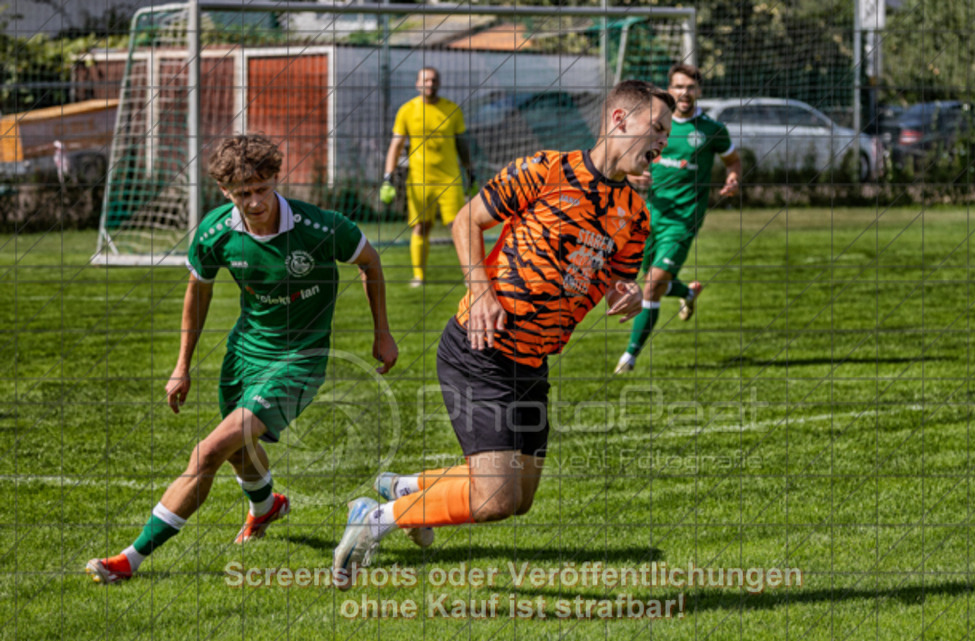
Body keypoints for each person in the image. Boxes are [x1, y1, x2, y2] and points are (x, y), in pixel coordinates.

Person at [332, 80, 674, 587]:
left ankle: (406, 489)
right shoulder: (543, 170)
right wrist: (483, 290)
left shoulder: (636, 218)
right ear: (621, 120)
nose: (663, 143)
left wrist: (623, 294)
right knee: (495, 500)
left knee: (521, 500)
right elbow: (467, 220)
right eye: (658, 129)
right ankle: (373, 520)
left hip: (533, 364)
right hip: (481, 350)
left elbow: (616, 278)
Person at [86, 134, 398, 584]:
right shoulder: (215, 233)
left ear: (276, 178)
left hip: (301, 359)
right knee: (239, 452)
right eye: (242, 194)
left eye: (261, 189)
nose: (254, 202)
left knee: (208, 450)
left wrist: (382, 333)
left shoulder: (321, 228)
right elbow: (198, 292)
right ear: (225, 193)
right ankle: (267, 507)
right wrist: (182, 365)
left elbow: (370, 262)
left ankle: (128, 560)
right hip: (245, 354)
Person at [614, 64, 742, 375]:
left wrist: (733, 177)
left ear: (699, 91)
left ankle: (629, 357)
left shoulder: (712, 130)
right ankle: (686, 292)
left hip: (683, 221)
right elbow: (630, 162)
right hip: (648, 216)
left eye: (691, 87)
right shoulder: (656, 126)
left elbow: (733, 160)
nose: (684, 93)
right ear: (669, 90)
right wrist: (635, 177)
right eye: (678, 86)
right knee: (650, 282)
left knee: (651, 286)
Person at [380, 67, 476, 287]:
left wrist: (471, 171)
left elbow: (462, 144)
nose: (430, 84)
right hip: (419, 180)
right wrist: (387, 177)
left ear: (438, 83)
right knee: (421, 226)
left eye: (433, 80)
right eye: (425, 80)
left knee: (459, 226)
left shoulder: (452, 110)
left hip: (450, 179)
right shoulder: (407, 110)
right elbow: (396, 145)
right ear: (417, 84)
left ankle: (470, 276)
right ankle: (419, 276)